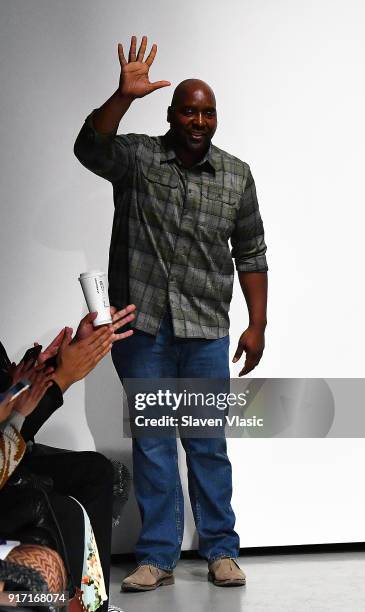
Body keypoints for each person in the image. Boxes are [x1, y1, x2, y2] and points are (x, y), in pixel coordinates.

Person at [74, 35, 268, 590]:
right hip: (146, 327)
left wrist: (257, 324)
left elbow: (252, 252)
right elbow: (90, 148)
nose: (199, 119)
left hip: (206, 327)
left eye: (207, 111)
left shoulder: (236, 175)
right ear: (171, 114)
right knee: (154, 442)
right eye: (189, 110)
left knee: (207, 442)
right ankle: (157, 557)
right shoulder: (137, 157)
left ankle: (221, 550)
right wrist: (121, 95)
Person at [0, 305, 136, 610]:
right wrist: (60, 378)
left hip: (10, 453)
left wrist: (46, 371)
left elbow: (12, 407)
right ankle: (82, 602)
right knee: (52, 506)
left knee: (98, 471)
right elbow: (9, 416)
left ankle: (94, 602)